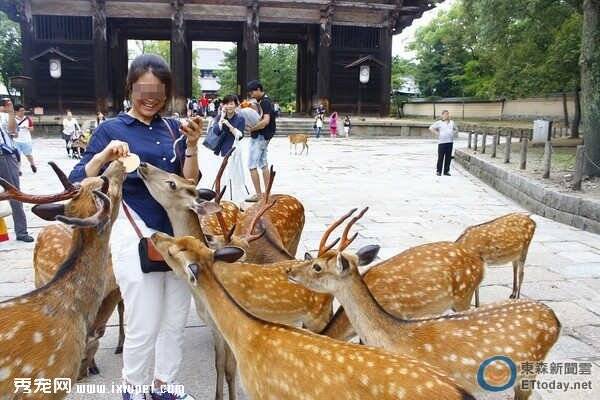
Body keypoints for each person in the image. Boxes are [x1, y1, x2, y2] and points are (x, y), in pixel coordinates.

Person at [69, 54, 201, 400]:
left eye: (159, 90)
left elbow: (188, 182)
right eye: (143, 89)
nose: (151, 97)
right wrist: (103, 157)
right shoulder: (111, 129)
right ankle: (134, 388)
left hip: (176, 234)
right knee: (143, 322)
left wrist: (191, 146)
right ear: (130, 88)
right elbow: (79, 179)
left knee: (175, 319)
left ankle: (165, 386)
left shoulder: (172, 127)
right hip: (135, 231)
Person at [0, 99, 34, 242]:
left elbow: (14, 131)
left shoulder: (4, 117)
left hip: (4, 157)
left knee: (14, 193)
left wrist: (11, 113)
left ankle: (21, 231)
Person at [213, 94, 248, 204]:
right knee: (223, 174)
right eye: (227, 103)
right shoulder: (220, 117)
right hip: (223, 149)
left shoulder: (240, 119)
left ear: (236, 105)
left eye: (231, 103)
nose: (229, 106)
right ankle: (224, 200)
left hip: (235, 149)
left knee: (235, 175)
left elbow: (240, 135)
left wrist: (229, 125)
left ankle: (238, 201)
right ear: (223, 105)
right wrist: (222, 118)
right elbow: (216, 131)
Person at [246, 80, 276, 202]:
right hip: (264, 136)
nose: (251, 94)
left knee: (252, 166)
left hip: (260, 136)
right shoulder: (263, 102)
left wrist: (252, 128)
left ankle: (259, 195)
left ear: (258, 89)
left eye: (252, 92)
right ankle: (267, 194)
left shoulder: (265, 102)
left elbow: (265, 121)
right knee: (263, 164)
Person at [429, 110, 458, 176]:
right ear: (442, 115)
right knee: (440, 157)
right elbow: (431, 128)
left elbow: (456, 129)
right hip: (442, 142)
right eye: (445, 114)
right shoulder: (439, 122)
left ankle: (446, 171)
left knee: (448, 157)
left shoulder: (452, 122)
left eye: (447, 114)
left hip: (450, 142)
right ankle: (439, 171)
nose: (446, 115)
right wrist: (437, 133)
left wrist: (453, 133)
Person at [14, 104, 37, 173]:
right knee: (17, 156)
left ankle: (32, 164)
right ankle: (18, 170)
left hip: (26, 140)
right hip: (16, 140)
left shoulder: (27, 119)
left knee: (28, 155)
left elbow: (32, 128)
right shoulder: (13, 119)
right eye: (21, 111)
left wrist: (28, 128)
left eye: (23, 110)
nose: (23, 112)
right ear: (16, 111)